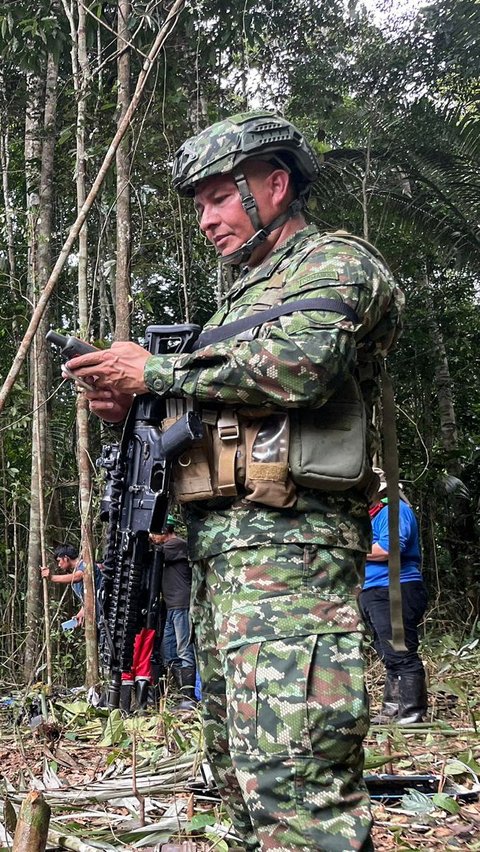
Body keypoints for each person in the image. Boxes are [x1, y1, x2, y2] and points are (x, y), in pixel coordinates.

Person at [62, 111, 404, 851]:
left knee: (298, 794)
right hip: (225, 568)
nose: (207, 218)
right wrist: (135, 400)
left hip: (293, 564)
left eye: (220, 196)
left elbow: (303, 366)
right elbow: (223, 409)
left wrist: (151, 370)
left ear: (275, 185)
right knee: (242, 793)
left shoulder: (336, 263)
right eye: (199, 204)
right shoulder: (237, 300)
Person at [360, 470, 428, 724]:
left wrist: (351, 549)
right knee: (387, 651)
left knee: (401, 650)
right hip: (373, 590)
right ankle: (392, 708)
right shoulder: (372, 514)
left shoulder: (394, 510)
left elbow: (389, 548)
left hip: (396, 587)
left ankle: (412, 712)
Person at [150, 515, 197, 709]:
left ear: (165, 531)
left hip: (181, 604)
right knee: (169, 652)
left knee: (184, 649)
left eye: (154, 533)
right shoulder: (168, 547)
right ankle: (184, 694)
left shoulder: (176, 544)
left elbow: (154, 553)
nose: (152, 537)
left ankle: (189, 698)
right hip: (170, 607)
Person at [41, 543, 85, 625]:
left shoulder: (85, 564)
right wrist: (82, 611)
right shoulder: (74, 578)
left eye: (59, 561)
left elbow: (78, 576)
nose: (59, 565)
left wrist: (51, 578)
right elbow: (87, 597)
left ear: (66, 558)